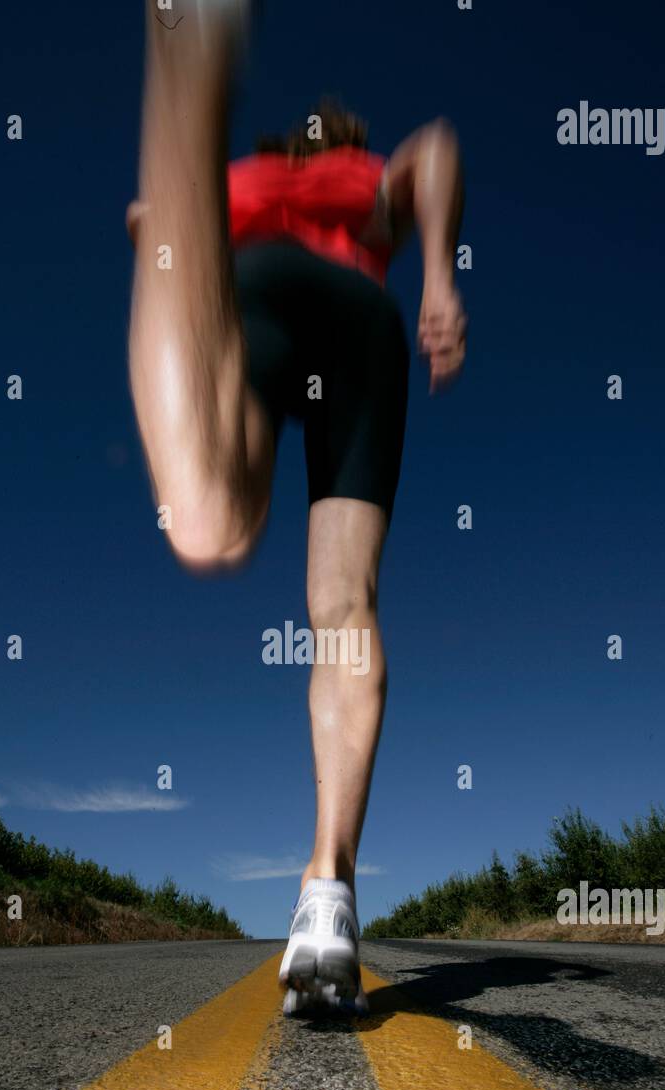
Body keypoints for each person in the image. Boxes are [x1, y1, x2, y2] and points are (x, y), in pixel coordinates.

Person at [127, 0, 467, 1015]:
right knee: (344, 607)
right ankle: (327, 890)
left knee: (208, 520)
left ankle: (184, 83)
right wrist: (437, 274)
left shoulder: (252, 182)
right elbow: (437, 147)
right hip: (355, 320)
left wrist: (167, 222)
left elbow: (145, 231)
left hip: (249, 290)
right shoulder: (368, 181)